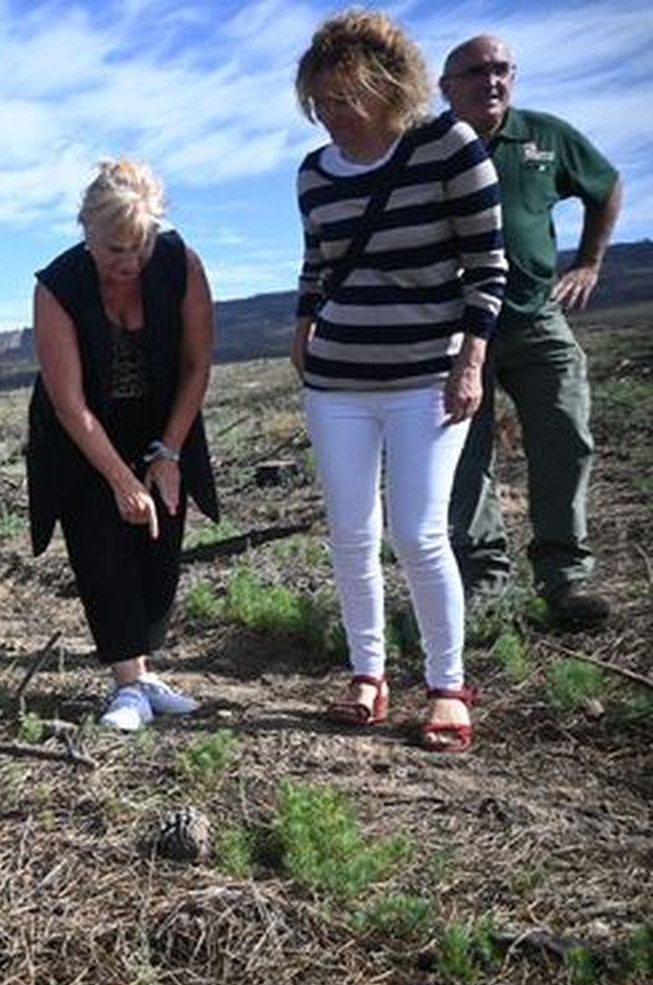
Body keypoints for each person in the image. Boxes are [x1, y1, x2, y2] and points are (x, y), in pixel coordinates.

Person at [291, 10, 506, 753]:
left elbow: (487, 267)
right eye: (319, 102)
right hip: (337, 380)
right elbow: (316, 263)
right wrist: (302, 326)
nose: (329, 116)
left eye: (343, 99)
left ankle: (447, 684)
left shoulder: (450, 147)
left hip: (427, 377)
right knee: (351, 534)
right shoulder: (315, 173)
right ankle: (368, 673)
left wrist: (471, 359)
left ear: (386, 87)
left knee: (418, 531)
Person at [26, 160, 218, 731]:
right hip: (81, 435)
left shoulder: (179, 263)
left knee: (160, 547)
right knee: (101, 544)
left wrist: (169, 453)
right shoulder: (57, 284)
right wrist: (120, 478)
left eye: (139, 247)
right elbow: (68, 402)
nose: (129, 262)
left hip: (163, 421)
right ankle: (128, 685)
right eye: (114, 250)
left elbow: (195, 364)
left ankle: (143, 673)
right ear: (86, 230)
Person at [441, 35, 623, 628]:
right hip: (458, 330)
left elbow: (605, 185)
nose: (491, 81)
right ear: (446, 88)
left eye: (501, 70)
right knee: (466, 457)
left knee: (565, 435)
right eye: (475, 72)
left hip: (534, 315)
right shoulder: (429, 148)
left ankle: (565, 579)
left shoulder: (544, 136)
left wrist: (589, 262)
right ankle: (482, 581)